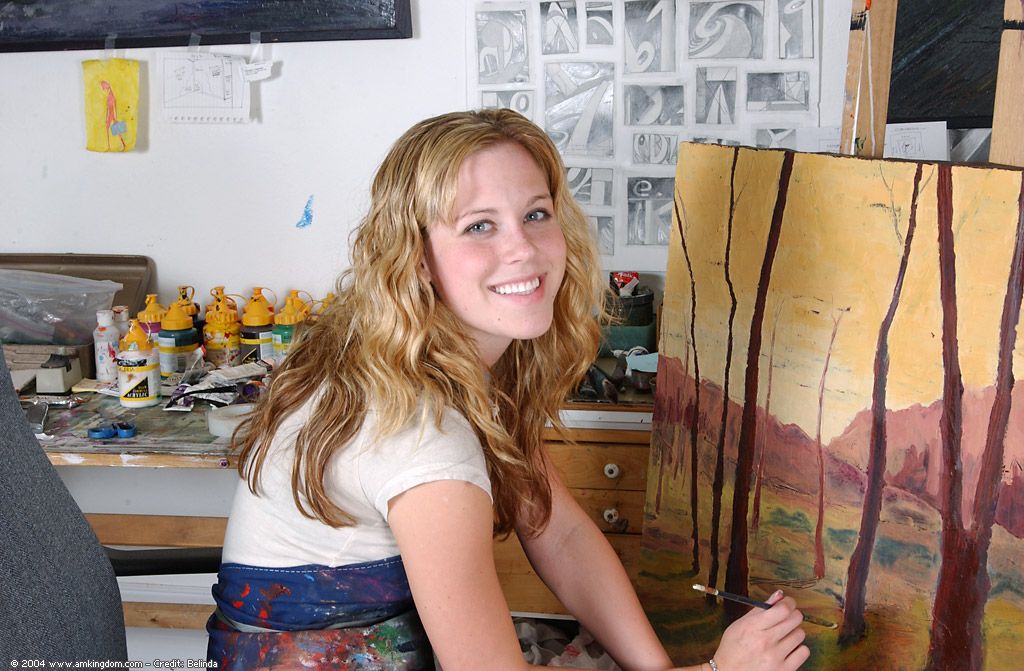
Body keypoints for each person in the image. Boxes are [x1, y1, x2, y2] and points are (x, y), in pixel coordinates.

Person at [206, 109, 811, 671]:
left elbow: (560, 533)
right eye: (479, 226)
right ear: (417, 258)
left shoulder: (428, 360)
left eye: (536, 214)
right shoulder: (423, 438)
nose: (522, 248)